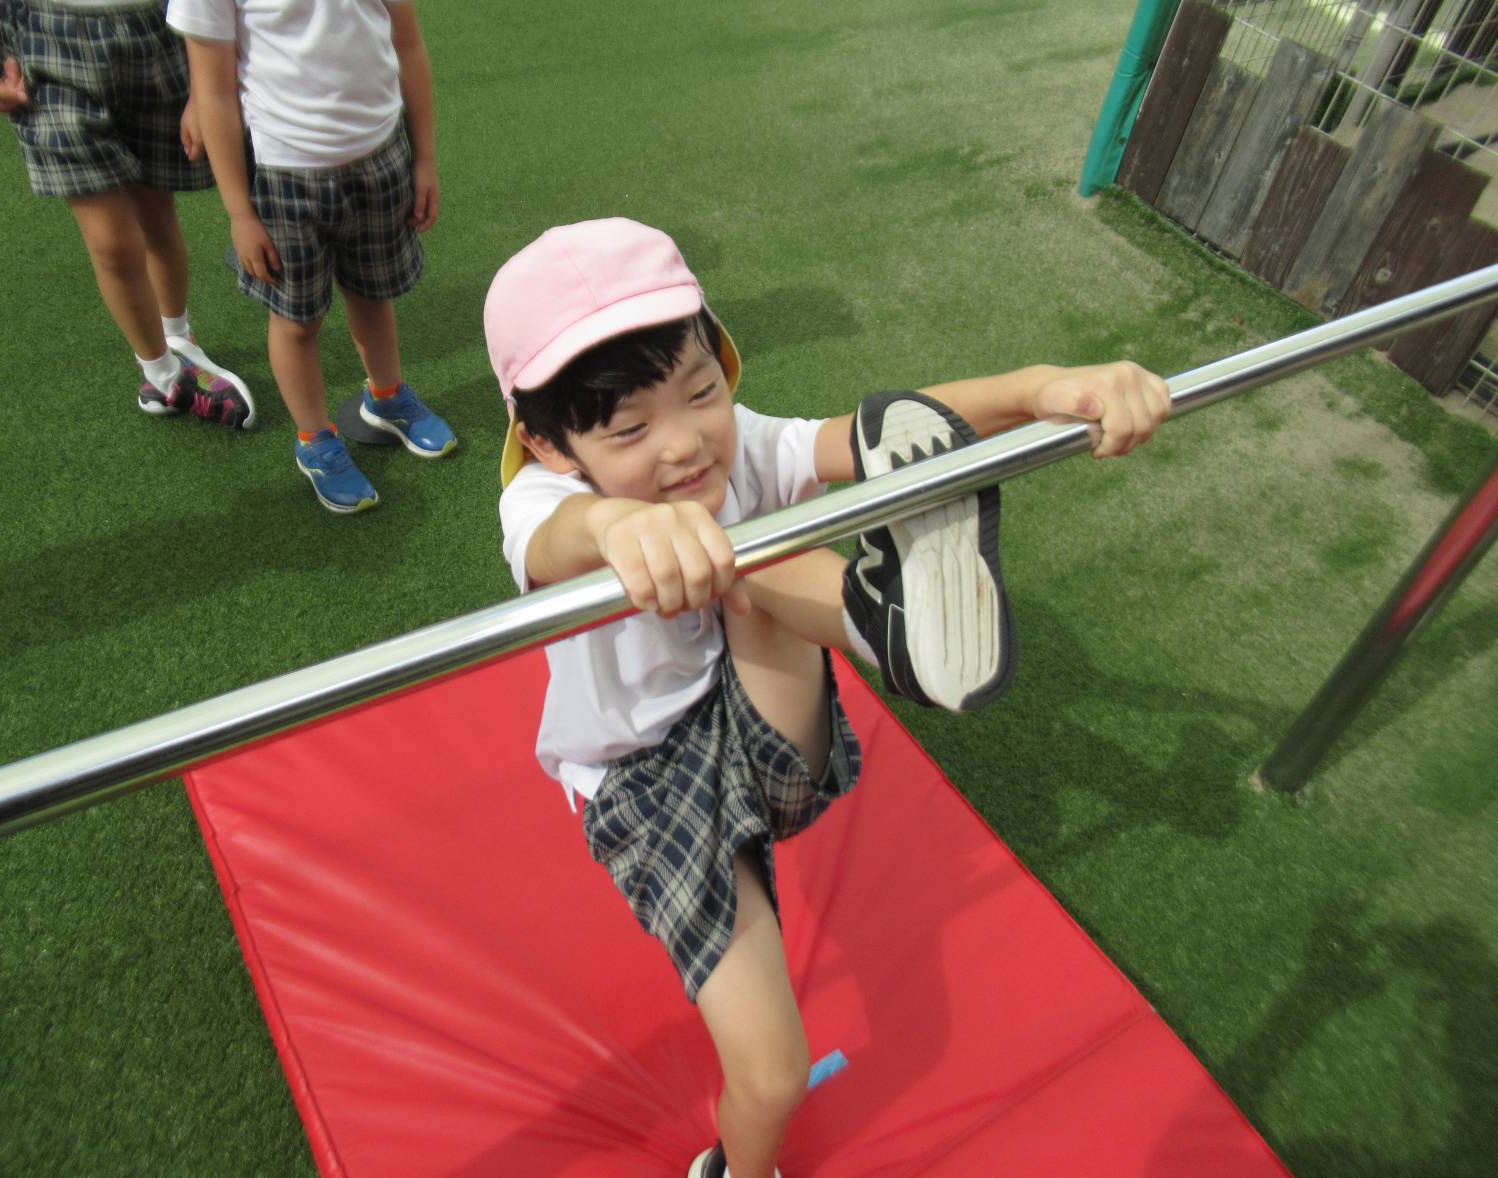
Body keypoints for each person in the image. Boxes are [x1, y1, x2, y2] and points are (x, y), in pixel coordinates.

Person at [484, 217, 1172, 1178]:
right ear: (547, 444)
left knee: (754, 542)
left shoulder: (736, 447)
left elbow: (880, 434)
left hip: (763, 716)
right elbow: (554, 541)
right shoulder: (546, 501)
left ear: (723, 366)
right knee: (771, 1078)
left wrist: (1047, 389)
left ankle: (886, 623)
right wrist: (614, 528)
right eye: (631, 429)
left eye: (703, 392)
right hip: (645, 786)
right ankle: (740, 1172)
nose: (685, 444)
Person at [168, 0, 456, 514]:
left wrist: (426, 158)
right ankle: (315, 438)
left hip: (381, 156)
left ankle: (386, 396)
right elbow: (214, 92)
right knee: (297, 321)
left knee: (373, 293)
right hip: (285, 175)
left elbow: (408, 43)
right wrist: (240, 213)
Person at [0, 0, 255, 427]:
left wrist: (205, 87)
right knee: (113, 243)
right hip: (48, 45)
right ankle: (164, 375)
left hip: (154, 30)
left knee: (157, 212)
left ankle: (177, 337)